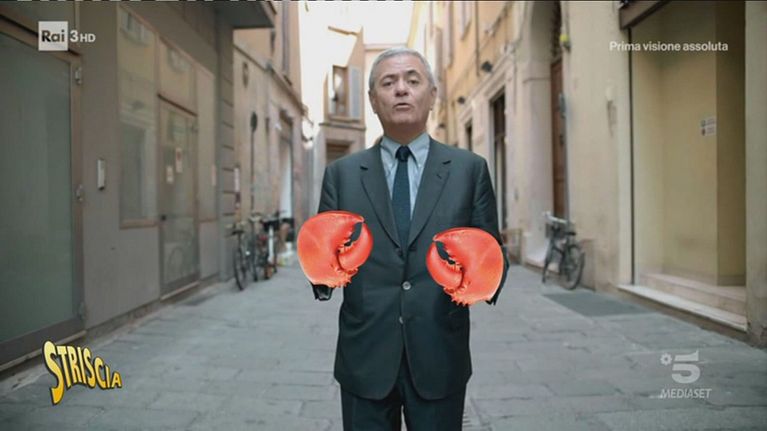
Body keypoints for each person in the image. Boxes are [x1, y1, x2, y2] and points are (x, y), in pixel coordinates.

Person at [311, 47, 508, 430]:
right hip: (364, 357)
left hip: (440, 355)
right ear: (373, 100)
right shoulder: (342, 175)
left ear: (432, 95)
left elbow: (493, 257)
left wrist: (478, 277)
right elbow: (321, 263)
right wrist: (321, 272)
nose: (401, 89)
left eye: (412, 80)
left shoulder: (469, 170)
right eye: (388, 82)